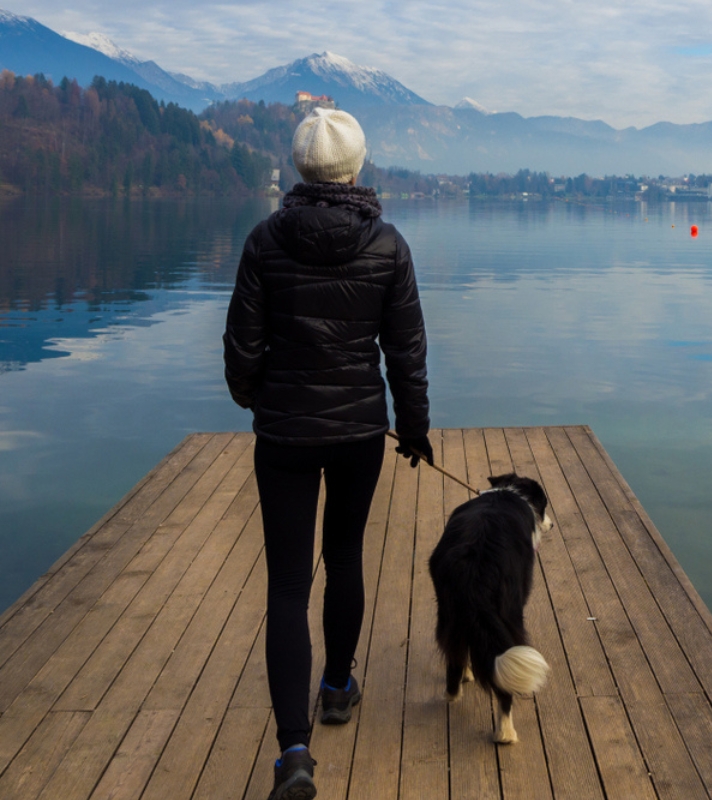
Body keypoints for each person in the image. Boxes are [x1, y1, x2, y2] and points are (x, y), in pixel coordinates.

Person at [223, 107, 433, 800]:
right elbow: (405, 351)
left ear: (298, 168)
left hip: (283, 434)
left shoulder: (264, 241)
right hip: (356, 434)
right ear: (357, 167)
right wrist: (415, 427)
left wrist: (257, 397)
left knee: (287, 583)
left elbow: (241, 349)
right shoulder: (388, 245)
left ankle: (294, 752)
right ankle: (338, 687)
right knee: (344, 556)